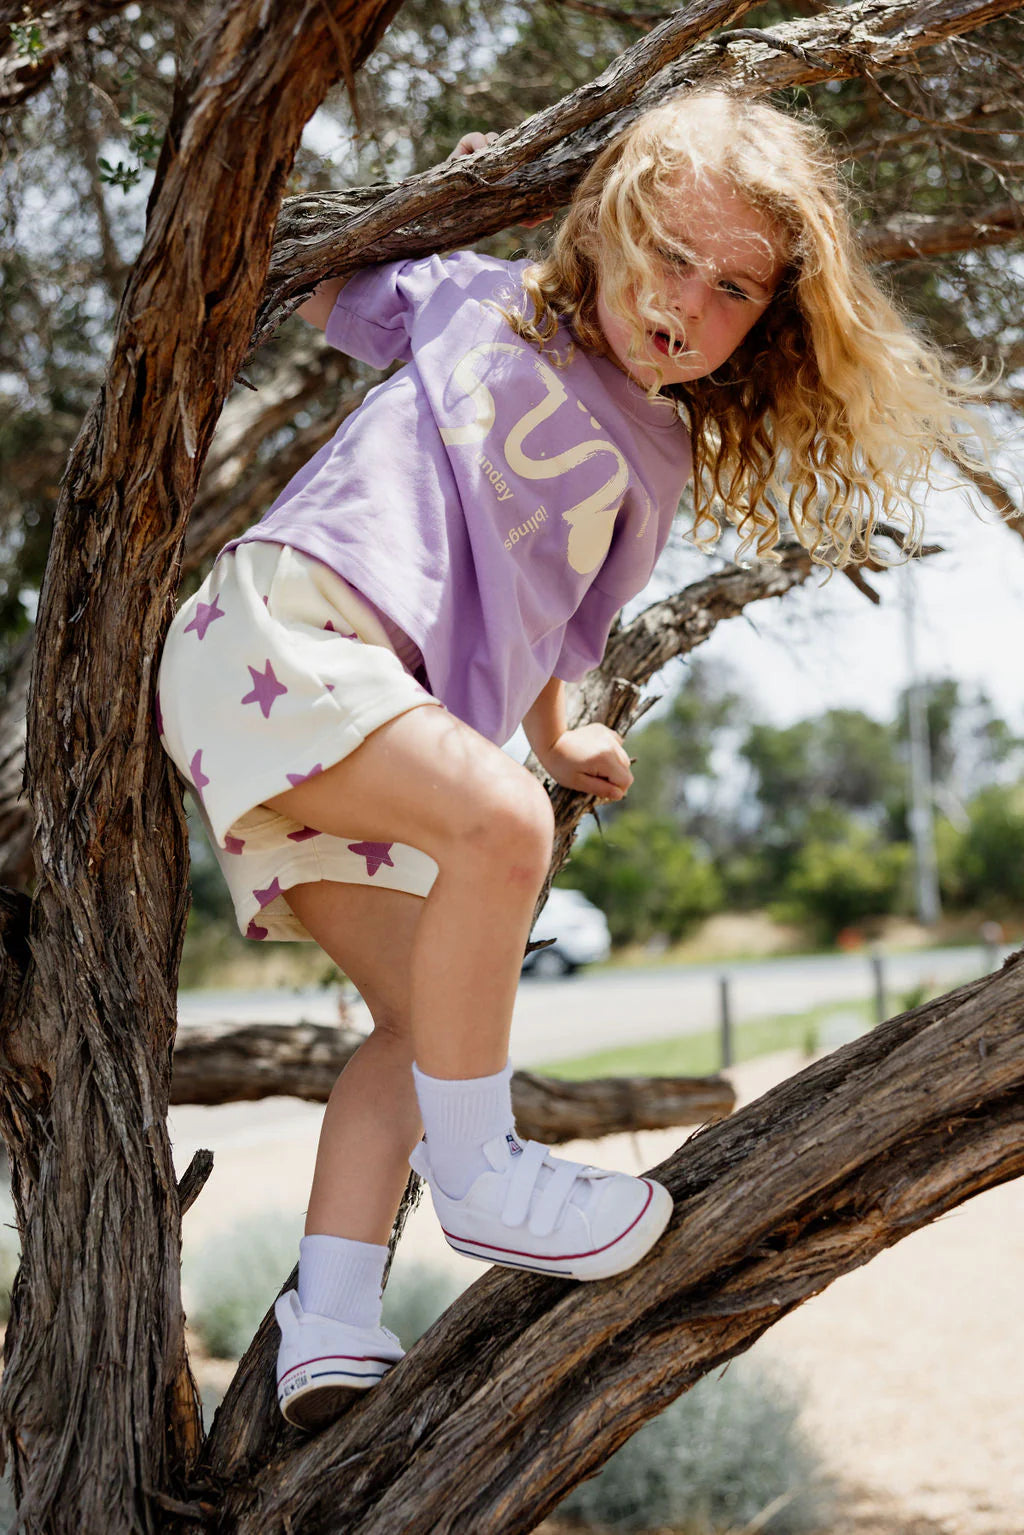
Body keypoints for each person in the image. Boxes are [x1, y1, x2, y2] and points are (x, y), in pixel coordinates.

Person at [158, 88, 987, 1430]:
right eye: (669, 253)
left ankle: (330, 1314)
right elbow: (306, 268)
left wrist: (563, 732)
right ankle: (487, 1181)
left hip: (339, 737)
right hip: (283, 632)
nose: (689, 303)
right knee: (505, 829)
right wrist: (425, 193)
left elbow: (555, 622)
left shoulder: (652, 458)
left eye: (733, 290)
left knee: (429, 1028)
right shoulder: (477, 300)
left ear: (766, 322)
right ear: (603, 225)